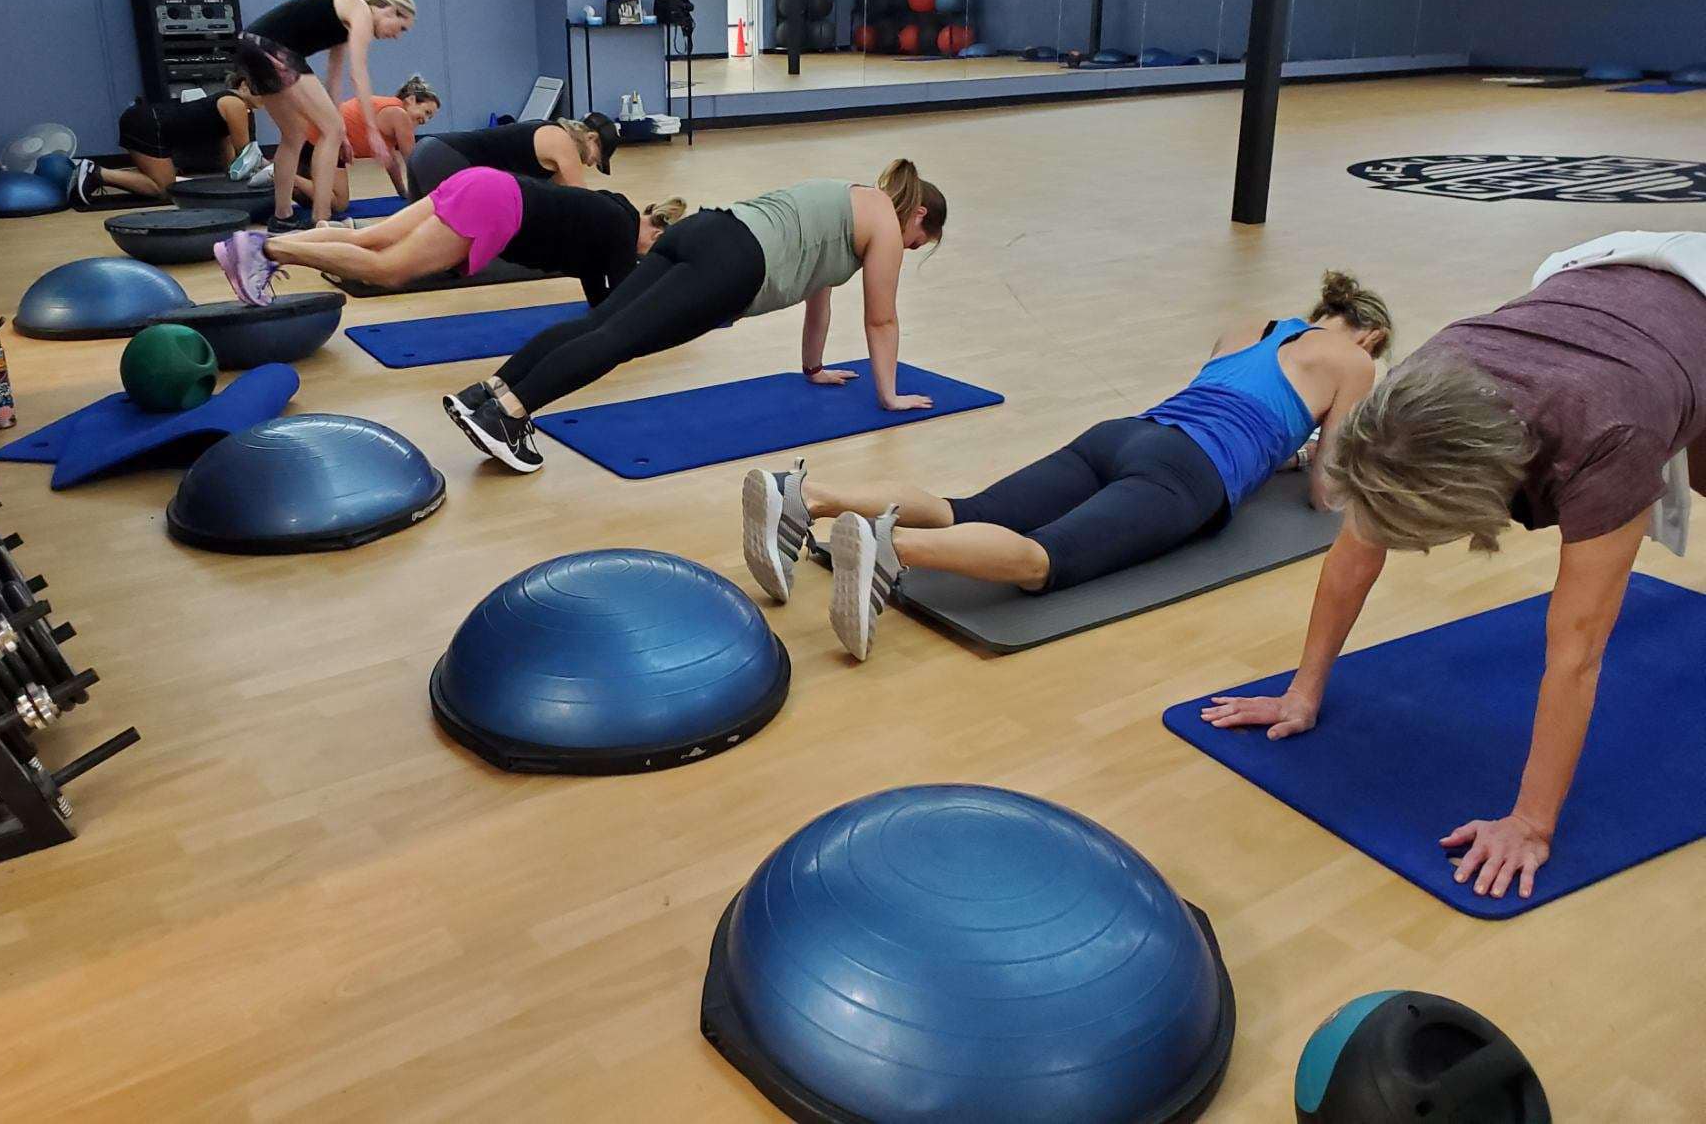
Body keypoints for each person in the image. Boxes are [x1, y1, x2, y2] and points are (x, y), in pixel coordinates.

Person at [1203, 233, 1706, 902]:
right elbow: (1354, 552)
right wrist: (1303, 690)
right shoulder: (1414, 398)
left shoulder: (1608, 435)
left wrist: (1530, 824)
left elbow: (1578, 651)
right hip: (1602, 278)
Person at [743, 271, 1393, 661]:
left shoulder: (1252, 325)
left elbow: (1232, 402)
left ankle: (807, 495)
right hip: (1186, 473)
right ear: (1371, 337)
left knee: (967, 510)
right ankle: (892, 547)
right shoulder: (1355, 361)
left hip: (1125, 434)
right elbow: (1326, 491)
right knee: (1043, 559)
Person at [441, 159, 948, 475]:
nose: (907, 248)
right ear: (918, 215)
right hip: (733, 264)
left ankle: (487, 393)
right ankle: (509, 414)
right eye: (917, 242)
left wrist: (813, 368)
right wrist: (888, 395)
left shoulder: (849, 198)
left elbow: (820, 295)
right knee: (619, 338)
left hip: (704, 229)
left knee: (601, 323)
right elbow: (881, 320)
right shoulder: (885, 222)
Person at [215, 166, 682, 308]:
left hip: (486, 182)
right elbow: (627, 300)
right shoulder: (621, 233)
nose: (647, 256)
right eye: (655, 249)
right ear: (656, 229)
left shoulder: (614, 212)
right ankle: (265, 249)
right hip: (496, 206)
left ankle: (257, 244)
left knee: (371, 239)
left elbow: (600, 297)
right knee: (389, 270)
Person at [229, 0, 416, 232]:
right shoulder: (360, 9)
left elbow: (334, 77)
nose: (397, 36)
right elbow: (358, 74)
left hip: (249, 45)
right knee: (331, 129)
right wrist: (371, 131)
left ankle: (282, 217)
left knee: (295, 134)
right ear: (390, 10)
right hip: (271, 48)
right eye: (401, 28)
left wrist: (340, 133)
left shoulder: (344, 17)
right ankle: (321, 218)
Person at [71, 90, 256, 203]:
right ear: (244, 85)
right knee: (164, 189)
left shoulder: (228, 103)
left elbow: (231, 161)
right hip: (148, 123)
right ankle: (96, 173)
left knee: (161, 182)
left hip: (144, 120)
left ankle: (95, 173)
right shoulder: (236, 104)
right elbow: (246, 156)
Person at [296, 74, 442, 214]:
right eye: (426, 112)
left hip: (320, 143)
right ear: (411, 100)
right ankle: (287, 177)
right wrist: (428, 195)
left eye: (430, 117)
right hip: (321, 141)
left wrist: (402, 192)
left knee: (309, 200)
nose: (425, 120)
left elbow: (392, 163)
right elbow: (412, 160)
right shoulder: (399, 115)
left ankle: (288, 179)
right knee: (339, 204)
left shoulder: (391, 113)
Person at [405, 114, 621, 197]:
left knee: (409, 232)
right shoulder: (563, 142)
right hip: (443, 157)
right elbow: (583, 200)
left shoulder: (552, 132)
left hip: (426, 150)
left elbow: (558, 196)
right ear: (591, 137)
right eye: (597, 157)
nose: (591, 164)